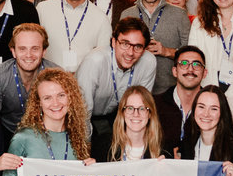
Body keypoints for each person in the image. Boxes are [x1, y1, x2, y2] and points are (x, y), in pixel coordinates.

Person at [76, 17, 157, 160]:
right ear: (113, 42)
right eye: (125, 44)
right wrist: (85, 149)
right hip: (88, 117)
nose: (130, 53)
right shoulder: (94, 61)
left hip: (121, 117)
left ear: (144, 49)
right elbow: (82, 112)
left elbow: (142, 109)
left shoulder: (149, 62)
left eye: (138, 46)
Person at [122, 0, 191, 94]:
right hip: (134, 93)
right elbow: (118, 56)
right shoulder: (127, 14)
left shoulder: (179, 15)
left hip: (170, 93)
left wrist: (166, 51)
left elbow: (191, 57)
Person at [36, 0, 111, 72]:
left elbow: (104, 62)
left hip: (84, 86)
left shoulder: (101, 18)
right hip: (48, 82)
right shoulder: (43, 9)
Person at [0, 23, 58, 139]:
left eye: (35, 49)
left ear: (44, 51)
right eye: (22, 49)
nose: (28, 55)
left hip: (47, 135)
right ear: (13, 51)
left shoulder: (57, 76)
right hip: (8, 134)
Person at [155, 46, 207, 158]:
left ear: (205, 73)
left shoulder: (213, 108)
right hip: (162, 171)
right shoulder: (155, 105)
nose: (190, 69)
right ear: (175, 71)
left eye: (196, 64)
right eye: (184, 63)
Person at [106, 86, 163, 161]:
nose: (136, 114)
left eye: (142, 108)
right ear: (122, 112)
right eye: (130, 108)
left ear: (150, 114)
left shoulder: (163, 151)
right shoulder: (104, 146)